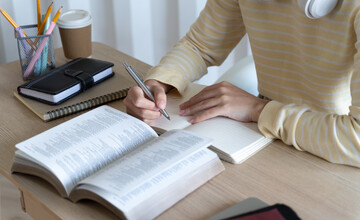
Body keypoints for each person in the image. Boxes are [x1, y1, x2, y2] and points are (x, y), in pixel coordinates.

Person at [124, 0, 360, 168]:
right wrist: (159, 81)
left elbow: (356, 140)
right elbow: (200, 46)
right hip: (265, 137)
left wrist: (257, 109)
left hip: (333, 156)